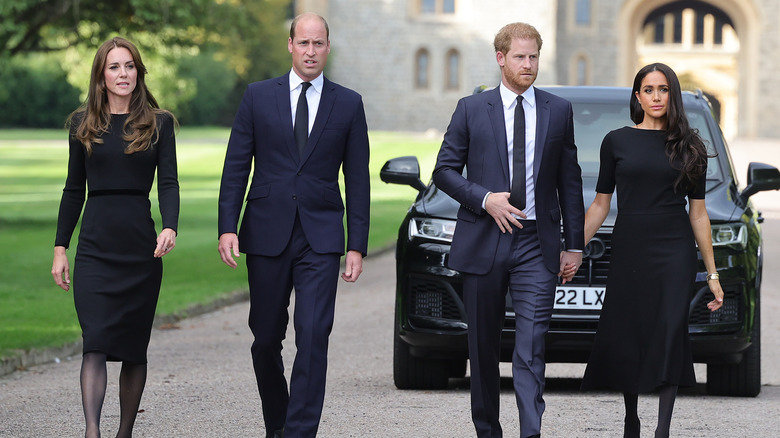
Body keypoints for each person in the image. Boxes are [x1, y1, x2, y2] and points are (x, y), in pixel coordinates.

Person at [217, 13, 370, 438]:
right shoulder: (257, 96)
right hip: (266, 231)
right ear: (290, 45)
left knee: (314, 332)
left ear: (327, 47)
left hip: (320, 236)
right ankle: (279, 423)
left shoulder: (349, 103)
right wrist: (227, 226)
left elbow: (357, 179)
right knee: (265, 338)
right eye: (303, 43)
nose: (310, 51)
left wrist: (356, 244)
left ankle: (299, 432)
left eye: (318, 43)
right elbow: (235, 167)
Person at [432, 22, 585, 438]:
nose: (528, 64)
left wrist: (575, 245)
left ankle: (530, 432)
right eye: (519, 57)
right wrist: (485, 199)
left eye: (534, 56)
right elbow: (443, 171)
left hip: (537, 242)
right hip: (485, 238)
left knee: (531, 344)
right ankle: (488, 431)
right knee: (482, 348)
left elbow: (569, 182)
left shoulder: (558, 110)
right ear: (501, 58)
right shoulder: (470, 109)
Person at [579, 63, 724, 438]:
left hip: (674, 248)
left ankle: (663, 429)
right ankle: (632, 418)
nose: (656, 96)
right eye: (648, 89)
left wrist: (712, 274)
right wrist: (573, 248)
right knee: (631, 328)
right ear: (638, 96)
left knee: (670, 329)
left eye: (663, 89)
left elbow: (699, 213)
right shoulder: (616, 141)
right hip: (630, 244)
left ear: (671, 95)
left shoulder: (692, 146)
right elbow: (599, 204)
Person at [51, 36, 179, 438]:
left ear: (139, 72)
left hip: (140, 248)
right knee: (96, 341)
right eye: (114, 67)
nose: (123, 74)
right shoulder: (81, 124)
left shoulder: (158, 123)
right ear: (101, 76)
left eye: (129, 66)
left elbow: (170, 183)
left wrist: (170, 225)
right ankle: (93, 431)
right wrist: (60, 247)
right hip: (95, 247)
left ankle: (123, 433)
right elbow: (73, 190)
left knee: (133, 347)